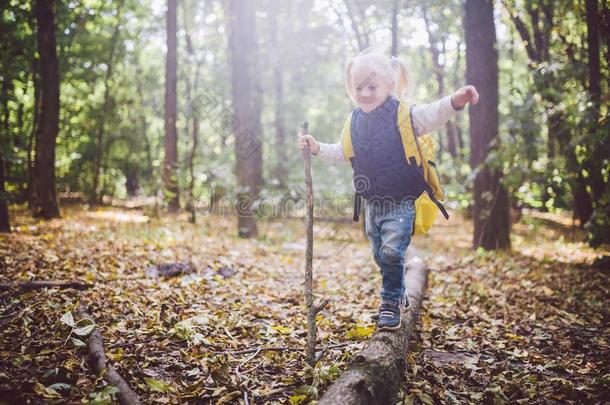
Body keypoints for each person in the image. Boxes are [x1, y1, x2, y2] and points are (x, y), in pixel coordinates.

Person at [297, 49, 479, 331]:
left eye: (372, 87)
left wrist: (455, 101)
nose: (365, 93)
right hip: (372, 204)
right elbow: (343, 153)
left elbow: (432, 114)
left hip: (401, 201)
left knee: (394, 253)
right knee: (381, 256)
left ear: (389, 86)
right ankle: (399, 294)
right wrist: (318, 147)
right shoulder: (354, 121)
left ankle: (390, 305)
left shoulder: (404, 116)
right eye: (359, 87)